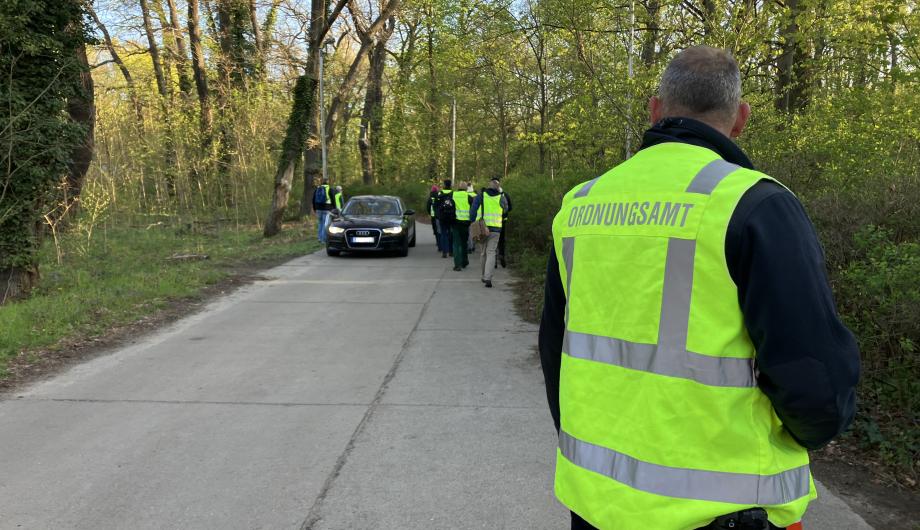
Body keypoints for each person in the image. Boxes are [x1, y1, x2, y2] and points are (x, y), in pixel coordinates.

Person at [538, 46, 860, 530]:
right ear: (740, 120)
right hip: (724, 508)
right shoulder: (755, 203)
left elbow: (553, 347)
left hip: (597, 502)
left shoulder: (581, 205)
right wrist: (809, 433)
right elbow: (814, 376)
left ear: (655, 109)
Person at [470, 178, 508, 287]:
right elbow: (505, 211)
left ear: (488, 186)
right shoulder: (502, 197)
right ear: (498, 187)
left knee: (483, 253)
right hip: (496, 229)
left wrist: (472, 221)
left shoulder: (481, 196)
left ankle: (483, 276)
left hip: (483, 228)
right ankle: (488, 277)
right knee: (491, 252)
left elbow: (473, 210)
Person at [449, 180, 472, 271]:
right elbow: (473, 210)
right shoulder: (469, 197)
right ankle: (464, 261)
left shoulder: (453, 195)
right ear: (466, 189)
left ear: (458, 188)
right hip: (465, 223)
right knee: (464, 243)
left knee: (456, 244)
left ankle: (457, 264)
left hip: (455, 222)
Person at [436, 179, 454, 258]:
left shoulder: (440, 193)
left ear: (444, 184)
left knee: (443, 234)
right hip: (451, 217)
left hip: (442, 217)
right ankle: (451, 251)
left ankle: (444, 252)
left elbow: (436, 205)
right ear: (450, 185)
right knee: (451, 233)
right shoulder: (453, 193)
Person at [312, 178, 333, 243]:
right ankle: (324, 240)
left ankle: (319, 238)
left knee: (320, 223)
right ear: (327, 182)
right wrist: (333, 208)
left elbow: (313, 199)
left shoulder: (317, 189)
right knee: (325, 224)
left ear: (322, 182)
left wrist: (315, 209)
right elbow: (333, 199)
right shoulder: (329, 188)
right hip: (327, 208)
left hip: (318, 209)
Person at [496, 183, 512, 268]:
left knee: (494, 241)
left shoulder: (492, 196)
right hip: (503, 221)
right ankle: (501, 255)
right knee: (502, 240)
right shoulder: (505, 195)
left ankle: (494, 259)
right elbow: (510, 208)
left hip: (493, 223)